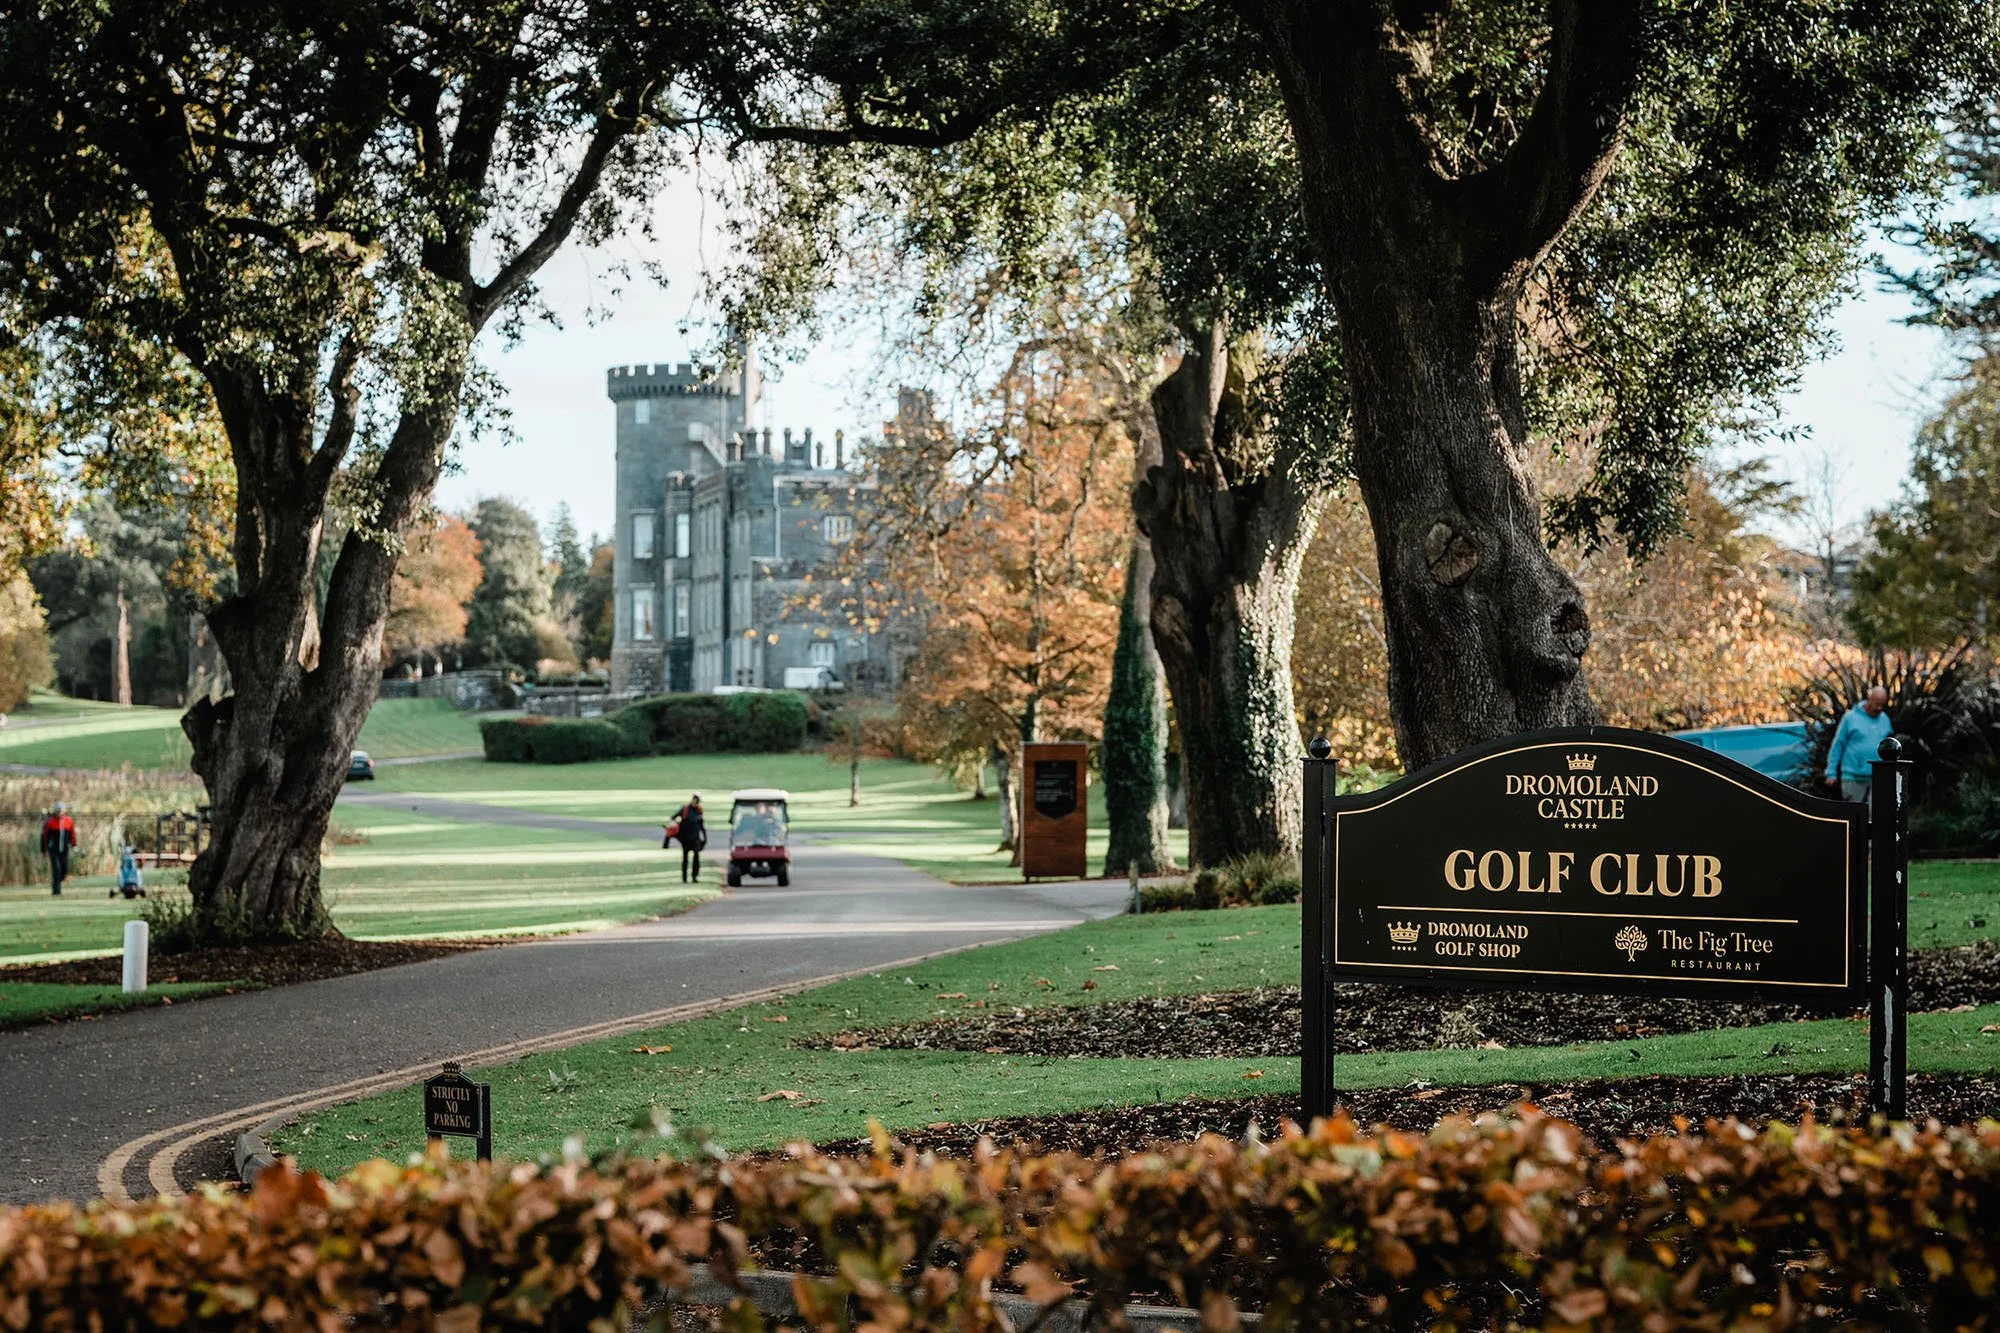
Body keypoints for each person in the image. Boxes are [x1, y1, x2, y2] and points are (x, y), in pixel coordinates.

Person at [1825, 684, 1894, 804]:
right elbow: (1838, 745)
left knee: (1876, 817)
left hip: (1877, 777)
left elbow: (1890, 747)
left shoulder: (1885, 719)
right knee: (1854, 818)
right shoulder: (1850, 718)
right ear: (1869, 699)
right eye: (1877, 704)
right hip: (1852, 777)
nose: (1879, 708)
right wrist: (1831, 772)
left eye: (1882, 705)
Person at [40, 802, 77, 897]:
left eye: (61, 811)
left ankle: (56, 883)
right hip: (53, 849)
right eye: (58, 811)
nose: (60, 813)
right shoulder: (50, 822)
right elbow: (45, 837)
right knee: (56, 869)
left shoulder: (68, 821)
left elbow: (72, 835)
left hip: (64, 849)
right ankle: (56, 891)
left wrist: (74, 845)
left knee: (64, 870)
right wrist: (44, 850)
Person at [669, 793, 706, 883]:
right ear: (692, 800)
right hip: (685, 838)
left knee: (696, 857)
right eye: (695, 800)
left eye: (697, 801)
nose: (696, 802)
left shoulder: (699, 810)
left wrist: (705, 837)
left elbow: (701, 824)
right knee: (685, 858)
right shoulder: (685, 809)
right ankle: (684, 878)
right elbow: (673, 817)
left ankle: (694, 877)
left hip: (696, 838)